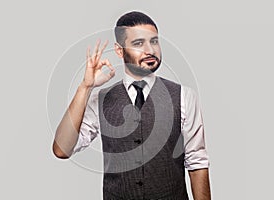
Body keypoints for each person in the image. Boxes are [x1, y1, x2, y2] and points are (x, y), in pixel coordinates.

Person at [53, 11, 211, 200]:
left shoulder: (184, 96)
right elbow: (62, 149)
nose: (150, 50)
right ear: (119, 51)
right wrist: (85, 87)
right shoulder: (101, 100)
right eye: (138, 43)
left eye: (154, 41)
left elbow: (197, 163)